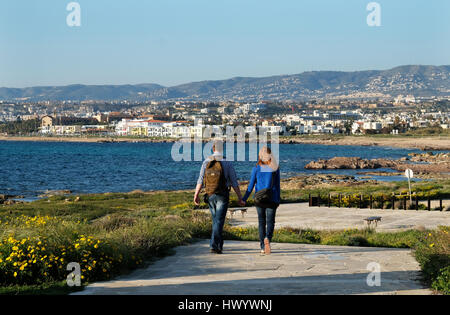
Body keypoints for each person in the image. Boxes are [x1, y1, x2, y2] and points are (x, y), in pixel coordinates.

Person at [194, 141, 245, 254]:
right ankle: (214, 245)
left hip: (210, 194)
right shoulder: (227, 162)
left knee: (216, 220)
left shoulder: (206, 161)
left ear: (213, 149)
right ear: (222, 150)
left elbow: (200, 180)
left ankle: (218, 245)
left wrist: (196, 194)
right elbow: (234, 182)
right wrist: (240, 197)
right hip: (222, 194)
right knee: (219, 220)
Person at [242, 147, 280, 255]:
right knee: (271, 222)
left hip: (259, 199)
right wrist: (278, 199)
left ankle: (263, 247)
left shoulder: (256, 168)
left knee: (261, 223)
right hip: (272, 199)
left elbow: (250, 186)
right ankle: (267, 237)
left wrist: (244, 199)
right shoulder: (275, 168)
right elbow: (277, 185)